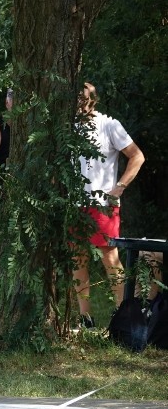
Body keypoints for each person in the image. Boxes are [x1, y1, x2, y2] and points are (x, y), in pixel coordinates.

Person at [73, 82, 145, 328]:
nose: (79, 104)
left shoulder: (109, 125)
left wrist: (120, 186)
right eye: (75, 100)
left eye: (83, 99)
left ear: (93, 100)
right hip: (74, 204)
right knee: (77, 259)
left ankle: (123, 318)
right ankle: (86, 320)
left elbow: (137, 156)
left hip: (103, 205)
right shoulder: (68, 129)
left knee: (110, 258)